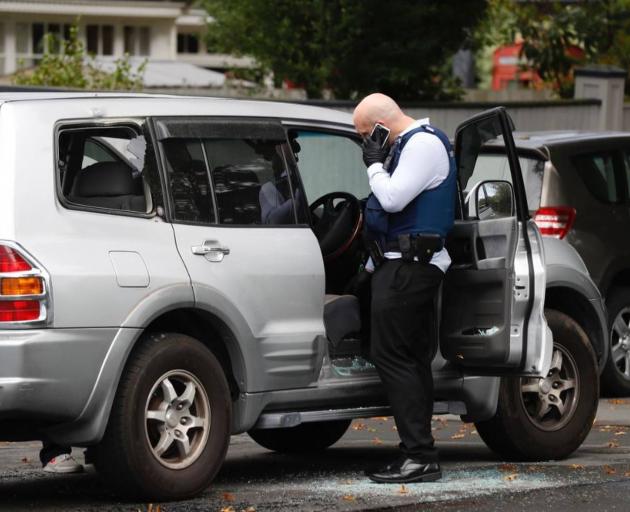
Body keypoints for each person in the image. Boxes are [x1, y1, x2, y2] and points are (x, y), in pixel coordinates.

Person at [352, 93, 457, 484]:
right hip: (400, 266)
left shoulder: (423, 144)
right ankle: (417, 452)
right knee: (409, 359)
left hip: (411, 268)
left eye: (366, 135)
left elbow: (393, 198)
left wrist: (374, 164)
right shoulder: (411, 146)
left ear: (381, 126)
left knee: (393, 356)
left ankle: (420, 456)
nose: (366, 143)